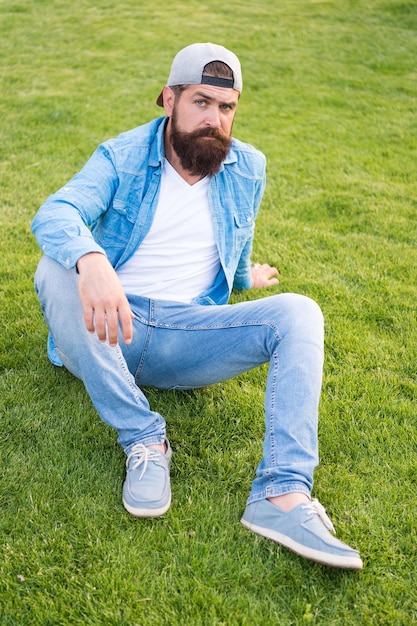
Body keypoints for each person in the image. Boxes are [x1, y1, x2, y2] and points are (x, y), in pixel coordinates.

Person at [32, 42, 362, 569]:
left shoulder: (247, 166)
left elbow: (237, 236)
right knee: (55, 267)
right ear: (169, 99)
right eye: (201, 103)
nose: (214, 119)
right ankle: (144, 438)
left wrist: (241, 278)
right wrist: (92, 260)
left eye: (226, 107)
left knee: (301, 311)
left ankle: (282, 495)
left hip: (188, 335)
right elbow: (57, 213)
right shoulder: (121, 156)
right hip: (108, 329)